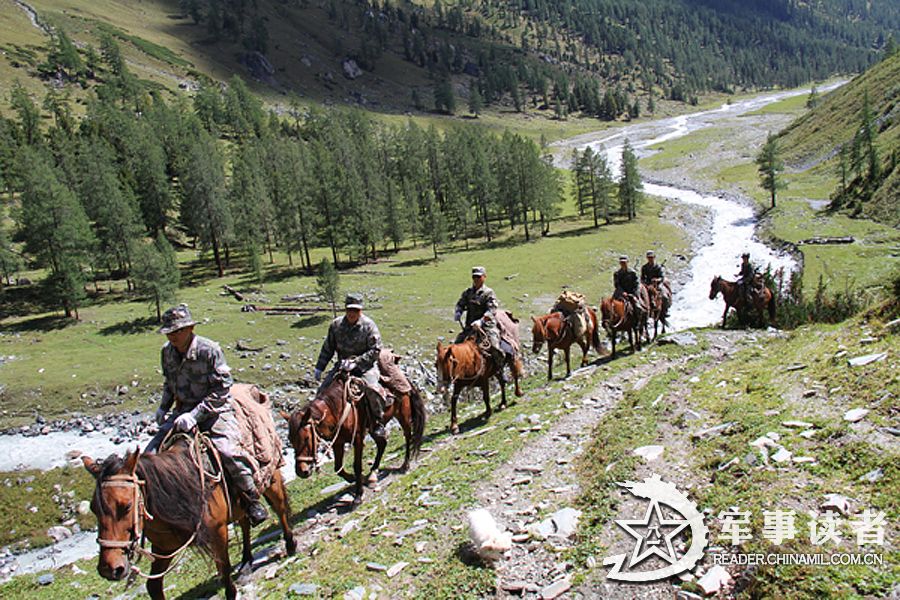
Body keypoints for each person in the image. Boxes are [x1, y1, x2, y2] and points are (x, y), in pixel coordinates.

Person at [147, 304, 269, 526]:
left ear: (190, 328)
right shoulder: (167, 353)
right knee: (150, 454)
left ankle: (252, 501)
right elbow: (169, 383)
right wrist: (163, 408)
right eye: (169, 332)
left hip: (215, 412)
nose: (173, 336)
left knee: (227, 451)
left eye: (177, 331)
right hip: (181, 412)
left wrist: (196, 415)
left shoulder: (209, 350)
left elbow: (223, 388)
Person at [314, 293, 389, 439]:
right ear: (345, 310)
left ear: (360, 311)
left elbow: (376, 350)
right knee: (322, 391)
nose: (352, 314)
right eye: (350, 310)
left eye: (356, 310)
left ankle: (377, 422)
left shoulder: (369, 326)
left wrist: (357, 362)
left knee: (373, 389)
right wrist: (319, 367)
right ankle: (324, 425)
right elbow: (328, 348)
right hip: (342, 365)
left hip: (365, 367)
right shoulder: (336, 325)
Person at [454, 266, 510, 377]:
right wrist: (458, 311)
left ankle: (500, 370)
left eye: (479, 277)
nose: (476, 279)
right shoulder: (468, 293)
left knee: (494, 347)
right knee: (456, 346)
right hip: (470, 327)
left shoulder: (488, 293)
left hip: (487, 326)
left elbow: (492, 310)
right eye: (474, 277)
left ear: (484, 277)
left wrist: (481, 321)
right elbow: (460, 303)